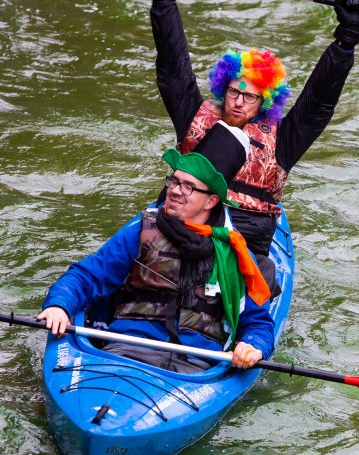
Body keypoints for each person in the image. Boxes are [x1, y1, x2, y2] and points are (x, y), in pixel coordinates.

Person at [149, 0, 359, 258]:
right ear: (222, 89)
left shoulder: (283, 139)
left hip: (245, 237)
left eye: (249, 96)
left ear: (265, 101)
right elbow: (172, 67)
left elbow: (319, 102)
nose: (238, 102)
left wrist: (346, 40)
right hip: (183, 221)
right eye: (233, 93)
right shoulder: (195, 116)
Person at [37, 122, 274, 373]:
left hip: (196, 367)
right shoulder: (141, 231)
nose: (175, 191)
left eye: (188, 187)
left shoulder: (233, 252)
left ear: (211, 201)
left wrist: (252, 345)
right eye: (174, 181)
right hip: (126, 351)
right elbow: (87, 276)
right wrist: (58, 305)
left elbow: (258, 323)